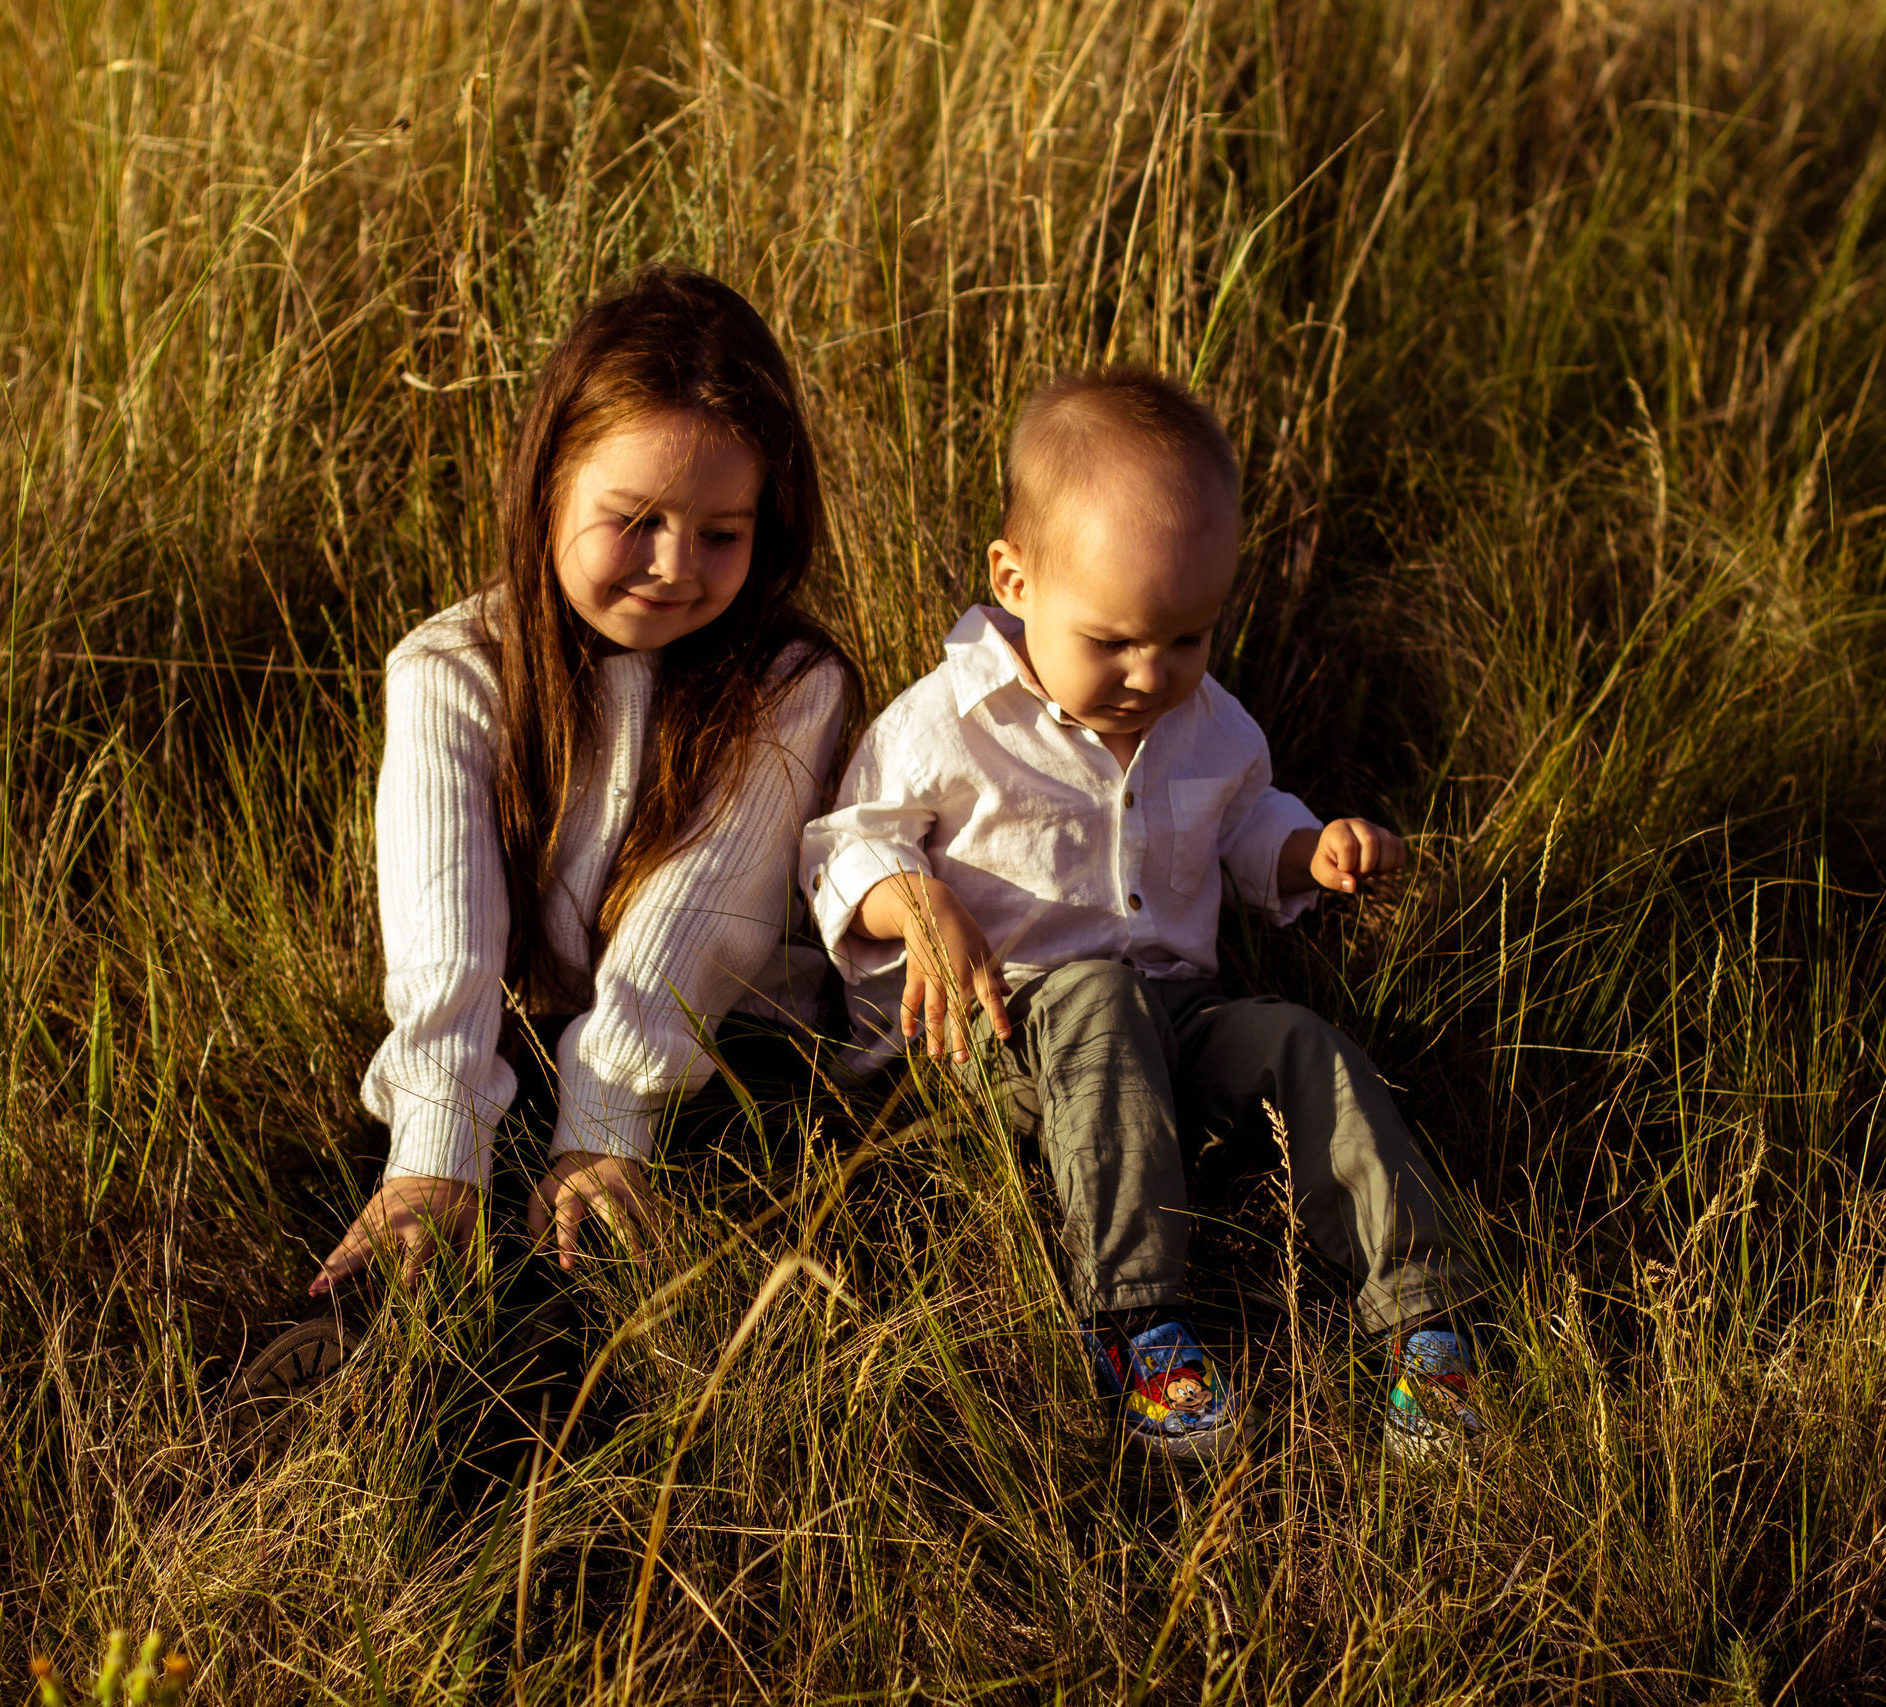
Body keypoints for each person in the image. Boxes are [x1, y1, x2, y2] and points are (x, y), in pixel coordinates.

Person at [799, 367, 1480, 1464]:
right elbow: (843, 843)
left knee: (1306, 1045)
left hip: (1178, 1022)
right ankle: (1135, 1322)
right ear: (1014, 580)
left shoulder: (1207, 724)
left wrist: (1313, 850)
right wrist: (912, 899)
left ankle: (1423, 1318)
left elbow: (1245, 822)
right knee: (1097, 998)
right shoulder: (946, 723)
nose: (1149, 674)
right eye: (1112, 641)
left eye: (1185, 639)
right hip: (1004, 1039)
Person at [310, 264, 860, 1308]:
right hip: (513, 1045)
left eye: (720, 534)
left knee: (623, 1267)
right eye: (635, 519)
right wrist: (437, 1139)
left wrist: (607, 1126)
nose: (672, 565)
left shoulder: (788, 684)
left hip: (719, 1058)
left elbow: (694, 918)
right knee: (423, 1216)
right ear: (548, 487)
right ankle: (365, 1361)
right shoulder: (453, 669)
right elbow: (447, 929)